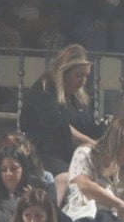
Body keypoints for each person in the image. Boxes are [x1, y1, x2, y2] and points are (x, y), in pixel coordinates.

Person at [18, 46, 97, 177]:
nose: (83, 81)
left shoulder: (78, 97)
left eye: (86, 76)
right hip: (43, 152)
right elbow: (57, 125)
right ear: (65, 72)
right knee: (67, 176)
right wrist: (90, 142)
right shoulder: (45, 88)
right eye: (78, 75)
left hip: (69, 153)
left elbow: (88, 126)